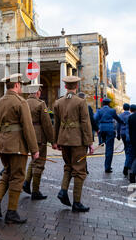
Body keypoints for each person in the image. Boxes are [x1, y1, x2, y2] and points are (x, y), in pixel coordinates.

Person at [0, 73, 39, 224]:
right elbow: (28, 128)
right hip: (16, 145)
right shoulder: (20, 102)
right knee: (17, 177)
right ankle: (11, 211)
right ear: (16, 85)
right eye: (20, 85)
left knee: (7, 173)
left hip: (3, 144)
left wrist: (1, 141)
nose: (21, 87)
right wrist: (34, 149)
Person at [54, 76, 94, 212]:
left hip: (64, 140)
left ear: (65, 87)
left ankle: (63, 191)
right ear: (76, 86)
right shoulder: (80, 102)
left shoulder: (58, 102)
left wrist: (56, 141)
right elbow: (85, 124)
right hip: (77, 141)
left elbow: (56, 124)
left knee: (68, 167)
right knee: (79, 171)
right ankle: (77, 202)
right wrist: (89, 143)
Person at [22, 84, 54, 200]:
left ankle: (26, 183)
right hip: (38, 137)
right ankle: (35, 191)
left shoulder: (23, 102)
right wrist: (52, 140)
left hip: (26, 136)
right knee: (39, 163)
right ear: (37, 92)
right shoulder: (41, 104)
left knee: (33, 159)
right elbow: (47, 124)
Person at [94, 98, 123, 173]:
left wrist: (97, 128)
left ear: (103, 103)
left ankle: (102, 141)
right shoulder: (112, 111)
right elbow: (118, 119)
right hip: (110, 130)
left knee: (104, 143)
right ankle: (107, 167)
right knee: (109, 149)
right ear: (109, 104)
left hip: (102, 129)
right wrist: (124, 123)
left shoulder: (99, 111)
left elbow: (95, 119)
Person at [117, 103, 133, 176]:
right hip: (129, 134)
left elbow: (118, 125)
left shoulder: (120, 115)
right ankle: (128, 163)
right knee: (129, 149)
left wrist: (118, 134)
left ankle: (127, 161)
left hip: (123, 133)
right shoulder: (131, 115)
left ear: (123, 108)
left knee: (126, 148)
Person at [128, 105, 136, 183]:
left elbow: (130, 130)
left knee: (133, 156)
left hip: (133, 139)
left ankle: (132, 174)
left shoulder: (131, 117)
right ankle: (132, 174)